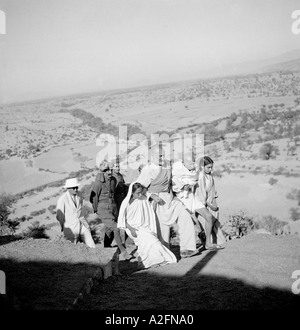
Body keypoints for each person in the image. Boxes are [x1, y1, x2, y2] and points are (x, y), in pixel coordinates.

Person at [135, 144, 199, 259]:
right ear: (152, 156)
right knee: (163, 231)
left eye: (163, 155)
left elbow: (176, 176)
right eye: (159, 156)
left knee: (185, 216)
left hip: (170, 198)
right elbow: (138, 188)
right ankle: (163, 255)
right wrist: (151, 195)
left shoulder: (167, 165)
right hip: (157, 202)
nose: (162, 158)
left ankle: (187, 249)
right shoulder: (147, 170)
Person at [117, 182, 177, 269]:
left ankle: (145, 263)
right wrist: (132, 229)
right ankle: (160, 259)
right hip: (132, 228)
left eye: (141, 192)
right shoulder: (126, 203)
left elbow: (149, 197)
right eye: (138, 193)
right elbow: (123, 219)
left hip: (144, 227)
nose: (140, 194)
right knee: (153, 241)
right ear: (132, 192)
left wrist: (154, 197)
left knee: (148, 243)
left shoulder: (143, 199)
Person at [89, 160, 131, 260]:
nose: (109, 172)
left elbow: (115, 192)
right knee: (115, 228)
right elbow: (93, 198)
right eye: (106, 170)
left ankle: (107, 249)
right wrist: (96, 209)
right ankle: (123, 252)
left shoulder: (113, 180)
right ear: (102, 171)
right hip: (103, 208)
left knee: (109, 229)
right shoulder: (98, 183)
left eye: (110, 170)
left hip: (113, 206)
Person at [194, 156, 226, 250]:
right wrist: (210, 205)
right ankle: (207, 242)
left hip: (209, 203)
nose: (210, 169)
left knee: (215, 220)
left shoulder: (210, 177)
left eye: (211, 167)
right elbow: (200, 195)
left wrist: (214, 203)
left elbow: (213, 191)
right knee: (206, 221)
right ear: (202, 167)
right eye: (208, 167)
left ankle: (216, 242)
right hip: (200, 204)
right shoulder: (199, 177)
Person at [56, 177, 96, 248]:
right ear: (68, 188)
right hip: (71, 228)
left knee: (92, 245)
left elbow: (80, 209)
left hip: (82, 224)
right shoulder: (62, 200)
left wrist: (86, 225)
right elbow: (59, 216)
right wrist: (63, 227)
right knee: (72, 249)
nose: (76, 189)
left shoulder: (80, 194)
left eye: (76, 187)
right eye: (73, 188)